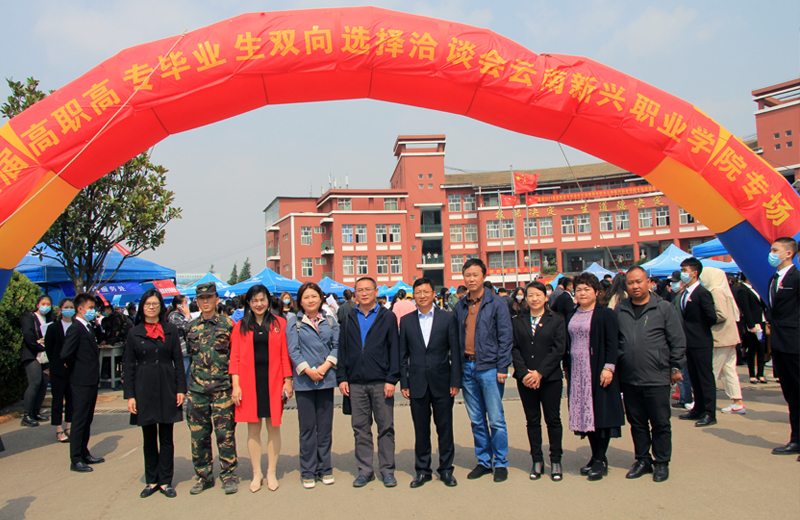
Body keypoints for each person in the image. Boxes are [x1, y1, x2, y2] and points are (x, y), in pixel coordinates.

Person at [616, 266, 686, 483]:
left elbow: (677, 340)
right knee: (637, 422)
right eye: (630, 283)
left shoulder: (663, 308)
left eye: (639, 281)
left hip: (657, 376)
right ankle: (642, 459)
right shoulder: (621, 309)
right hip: (629, 377)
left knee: (660, 422)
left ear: (648, 282)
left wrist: (675, 367)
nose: (635, 286)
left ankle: (662, 462)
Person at [337, 277, 400, 488]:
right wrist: (342, 378)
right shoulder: (348, 317)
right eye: (360, 290)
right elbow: (342, 349)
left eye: (368, 289)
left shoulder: (387, 316)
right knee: (360, 428)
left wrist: (392, 379)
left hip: (381, 382)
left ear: (376, 291)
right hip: (355, 383)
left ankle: (387, 470)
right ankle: (365, 470)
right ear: (354, 294)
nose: (364, 293)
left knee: (385, 427)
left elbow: (394, 349)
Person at [453, 258, 513, 483]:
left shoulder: (497, 303)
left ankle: (501, 462)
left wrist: (502, 366)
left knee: (496, 419)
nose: (471, 279)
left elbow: (505, 337)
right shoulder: (460, 306)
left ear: (484, 276)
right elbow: (456, 339)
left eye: (475, 275)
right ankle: (484, 461)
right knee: (476, 419)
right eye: (467, 275)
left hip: (489, 367)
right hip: (467, 367)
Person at [124, 289, 186, 498]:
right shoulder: (134, 332)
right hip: (144, 388)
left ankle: (166, 481)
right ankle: (152, 480)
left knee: (166, 437)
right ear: (142, 307)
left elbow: (178, 361)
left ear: (161, 307)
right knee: (149, 437)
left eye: (155, 304)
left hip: (167, 385)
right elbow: (129, 366)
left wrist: (181, 389)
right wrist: (130, 395)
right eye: (148, 304)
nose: (151, 307)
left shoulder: (170, 330)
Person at [230, 284, 292, 493]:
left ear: (268, 301)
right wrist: (236, 386)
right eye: (254, 300)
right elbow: (235, 358)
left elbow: (284, 355)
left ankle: (271, 471)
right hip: (249, 383)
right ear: (248, 303)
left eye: (262, 299)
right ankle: (257, 473)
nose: (259, 304)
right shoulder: (240, 326)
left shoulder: (279, 323)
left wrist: (288, 380)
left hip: (273, 381)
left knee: (273, 427)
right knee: (253, 429)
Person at [399, 278, 461, 488]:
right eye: (418, 292)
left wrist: (455, 380)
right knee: (421, 430)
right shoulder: (406, 321)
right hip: (417, 383)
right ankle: (422, 470)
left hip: (443, 381)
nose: (422, 296)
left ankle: (446, 469)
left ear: (434, 294)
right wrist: (404, 382)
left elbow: (455, 351)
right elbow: (402, 355)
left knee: (445, 428)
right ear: (413, 295)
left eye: (426, 292)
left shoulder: (447, 318)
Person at [565, 273, 625, 481]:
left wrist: (609, 367)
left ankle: (600, 459)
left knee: (600, 415)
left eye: (587, 289)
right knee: (585, 415)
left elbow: (613, 343)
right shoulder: (571, 314)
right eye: (578, 289)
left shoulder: (605, 314)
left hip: (598, 369)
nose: (582, 293)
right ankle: (595, 456)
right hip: (577, 372)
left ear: (596, 292)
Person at [185, 282, 238, 495]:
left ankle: (229, 475)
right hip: (197, 391)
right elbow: (190, 357)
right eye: (201, 298)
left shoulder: (228, 325)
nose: (205, 301)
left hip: (222, 390)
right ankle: (203, 477)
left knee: (225, 435)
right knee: (199, 437)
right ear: (197, 301)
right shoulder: (190, 327)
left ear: (217, 299)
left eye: (209, 297)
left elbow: (236, 356)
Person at [511, 281, 565, 481]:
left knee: (553, 420)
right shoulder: (518, 320)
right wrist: (524, 373)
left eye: (538, 295)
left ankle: (556, 460)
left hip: (550, 378)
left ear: (546, 297)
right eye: (530, 295)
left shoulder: (556, 320)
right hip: (525, 379)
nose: (534, 299)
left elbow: (559, 349)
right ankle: (537, 460)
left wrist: (540, 373)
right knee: (532, 421)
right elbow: (513, 348)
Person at [286, 283, 339, 489]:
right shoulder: (294, 322)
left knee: (325, 428)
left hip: (326, 380)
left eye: (314, 296)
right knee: (307, 428)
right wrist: (308, 371)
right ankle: (308, 470)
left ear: (320, 298)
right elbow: (293, 350)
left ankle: (325, 468)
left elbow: (337, 346)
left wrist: (324, 367)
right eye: (306, 297)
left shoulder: (330, 320)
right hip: (304, 382)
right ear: (300, 301)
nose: (311, 300)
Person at [764, 237, 800, 458]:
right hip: (779, 343)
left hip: (795, 343)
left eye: (775, 250)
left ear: (788, 253)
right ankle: (796, 439)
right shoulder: (774, 279)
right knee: (791, 395)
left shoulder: (797, 278)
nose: (771, 253)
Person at [61, 293, 104, 472]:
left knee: (87, 418)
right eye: (90, 308)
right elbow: (66, 355)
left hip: (91, 380)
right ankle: (76, 458)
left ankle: (84, 452)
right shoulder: (75, 328)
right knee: (79, 419)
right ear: (80, 309)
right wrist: (78, 368)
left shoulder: (88, 327)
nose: (93, 311)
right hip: (80, 380)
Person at [677, 258, 718, 427]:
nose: (683, 274)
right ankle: (698, 408)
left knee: (705, 377)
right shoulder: (685, 293)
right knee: (694, 377)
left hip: (701, 341)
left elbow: (711, 317)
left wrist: (698, 329)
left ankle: (709, 412)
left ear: (694, 273)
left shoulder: (702, 293)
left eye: (685, 270)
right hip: (689, 342)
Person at [700, 267, 746, 415]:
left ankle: (704, 402)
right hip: (729, 336)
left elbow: (721, 314)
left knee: (711, 371)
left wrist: (705, 320)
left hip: (721, 337)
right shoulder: (722, 290)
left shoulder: (716, 291)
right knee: (729, 370)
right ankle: (737, 401)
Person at [20, 295, 53, 427]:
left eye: (48, 304)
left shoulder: (49, 320)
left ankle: (36, 411)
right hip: (32, 354)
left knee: (44, 382)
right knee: (35, 382)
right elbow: (28, 335)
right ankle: (26, 415)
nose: (45, 306)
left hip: (45, 356)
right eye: (43, 304)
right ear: (38, 305)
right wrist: (39, 345)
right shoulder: (30, 317)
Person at [45, 298, 75, 442]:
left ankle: (69, 426)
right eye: (66, 307)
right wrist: (58, 363)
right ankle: (58, 428)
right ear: (60, 309)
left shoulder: (76, 326)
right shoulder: (53, 328)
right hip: (58, 369)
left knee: (71, 399)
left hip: (73, 369)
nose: (69, 309)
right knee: (57, 399)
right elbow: (49, 349)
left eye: (71, 307)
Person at [736, 273, 767, 384]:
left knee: (762, 348)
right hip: (752, 322)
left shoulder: (755, 288)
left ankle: (761, 373)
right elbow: (746, 309)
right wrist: (750, 324)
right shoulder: (743, 290)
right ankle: (752, 374)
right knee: (752, 348)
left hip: (761, 320)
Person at [167, 295, 192, 388]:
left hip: (187, 350)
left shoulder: (182, 315)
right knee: (181, 375)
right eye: (185, 303)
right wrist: (187, 315)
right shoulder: (174, 316)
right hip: (181, 350)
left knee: (188, 377)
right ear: (178, 305)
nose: (187, 305)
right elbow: (186, 327)